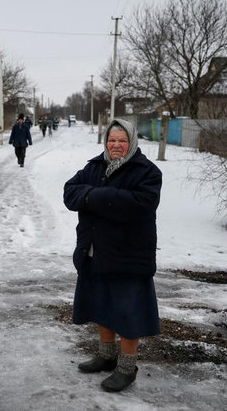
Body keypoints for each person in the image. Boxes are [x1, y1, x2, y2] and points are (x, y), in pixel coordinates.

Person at [63, 118, 162, 393]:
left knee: (128, 312)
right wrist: (104, 197)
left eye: (122, 140)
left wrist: (92, 197)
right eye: (111, 140)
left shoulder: (147, 172)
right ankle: (106, 356)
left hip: (128, 255)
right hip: (96, 252)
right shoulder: (94, 166)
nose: (116, 145)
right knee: (101, 305)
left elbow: (139, 205)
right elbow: (69, 193)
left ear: (131, 142)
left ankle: (127, 368)